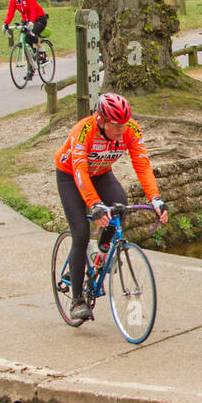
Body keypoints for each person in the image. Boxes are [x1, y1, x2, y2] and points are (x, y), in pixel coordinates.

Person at [55, 93, 168, 323]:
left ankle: (102, 250)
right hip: (71, 176)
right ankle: (77, 300)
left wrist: (155, 198)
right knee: (81, 233)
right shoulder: (83, 130)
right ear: (101, 120)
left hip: (101, 173)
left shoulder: (131, 130)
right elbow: (79, 170)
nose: (120, 131)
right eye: (115, 126)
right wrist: (94, 204)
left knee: (121, 207)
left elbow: (142, 163)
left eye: (123, 125)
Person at [2, 0, 48, 79]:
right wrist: (5, 24)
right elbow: (10, 12)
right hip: (27, 20)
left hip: (39, 18)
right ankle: (30, 70)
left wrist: (31, 22)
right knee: (27, 44)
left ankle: (42, 51)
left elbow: (32, 8)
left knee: (30, 35)